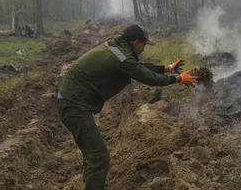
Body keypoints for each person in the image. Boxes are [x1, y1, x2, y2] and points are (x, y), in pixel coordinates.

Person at [57, 24, 198, 190]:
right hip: (74, 105)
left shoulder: (118, 48)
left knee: (92, 153)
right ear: (135, 42)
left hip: (72, 100)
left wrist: (168, 68)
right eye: (144, 44)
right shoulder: (122, 57)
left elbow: (137, 66)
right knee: (99, 156)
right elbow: (149, 78)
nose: (145, 47)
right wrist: (178, 79)